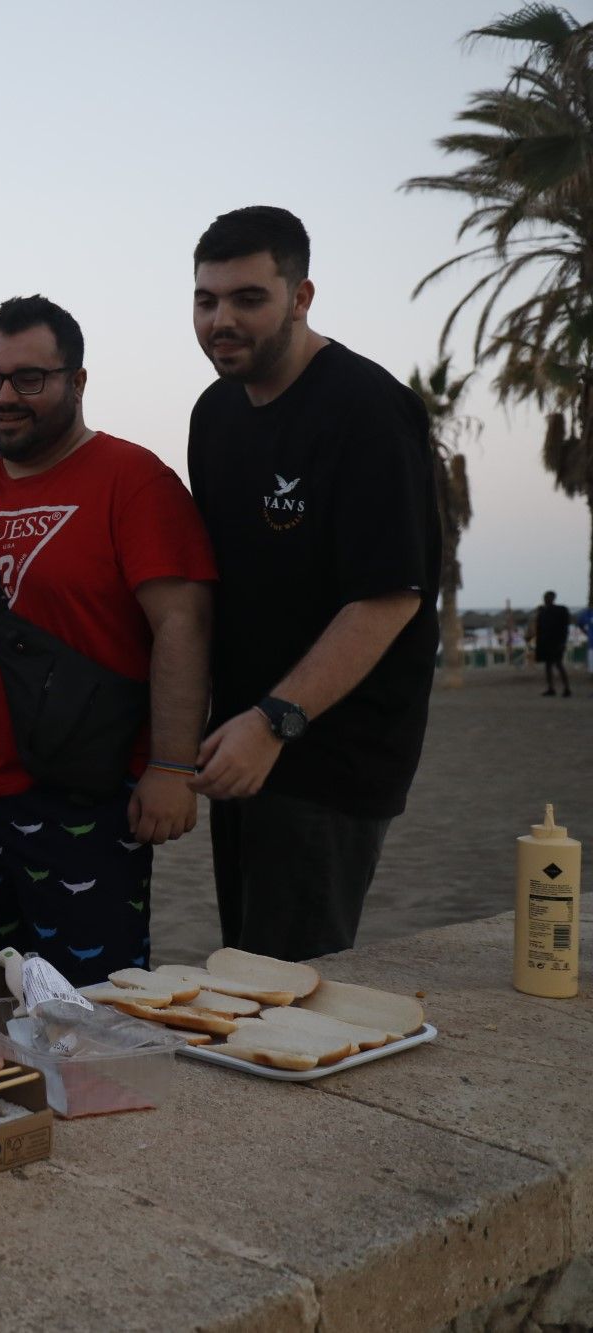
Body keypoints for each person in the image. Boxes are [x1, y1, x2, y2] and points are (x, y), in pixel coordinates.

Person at [0, 296, 215, 991]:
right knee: (2, 976)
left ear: (76, 382)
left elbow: (182, 624)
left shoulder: (134, 480)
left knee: (97, 999)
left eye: (29, 378)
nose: (5, 397)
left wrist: (171, 766)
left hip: (89, 797)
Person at [188, 206, 441, 961]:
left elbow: (389, 595)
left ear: (301, 297)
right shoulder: (214, 414)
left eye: (248, 299)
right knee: (243, 965)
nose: (221, 320)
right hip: (238, 743)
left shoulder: (367, 410)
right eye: (206, 299)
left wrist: (273, 722)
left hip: (332, 753)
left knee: (285, 984)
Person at [533, 591, 572, 697]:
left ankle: (566, 688)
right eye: (545, 597)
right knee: (549, 665)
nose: (545, 600)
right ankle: (551, 688)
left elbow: (564, 628)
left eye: (547, 598)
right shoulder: (543, 612)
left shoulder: (560, 610)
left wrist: (563, 642)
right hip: (546, 642)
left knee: (558, 664)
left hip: (556, 642)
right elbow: (540, 628)